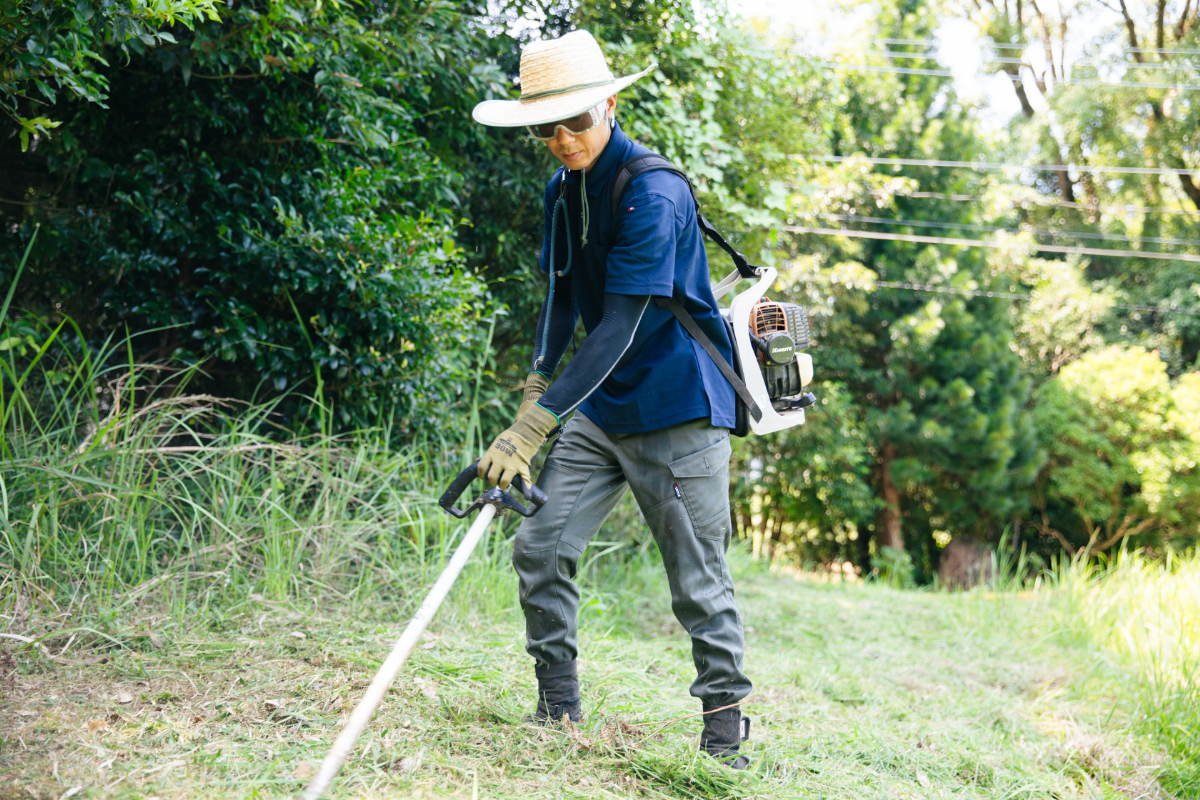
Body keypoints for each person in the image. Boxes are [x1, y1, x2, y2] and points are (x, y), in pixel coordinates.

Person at [471, 30, 751, 769]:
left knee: (696, 579)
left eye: (577, 121)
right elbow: (562, 301)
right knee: (539, 544)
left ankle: (724, 739)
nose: (562, 140)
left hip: (679, 407)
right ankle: (557, 707)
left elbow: (622, 326)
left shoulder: (654, 192)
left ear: (611, 105)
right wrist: (537, 385)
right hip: (603, 406)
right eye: (546, 127)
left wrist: (536, 426)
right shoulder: (563, 190)